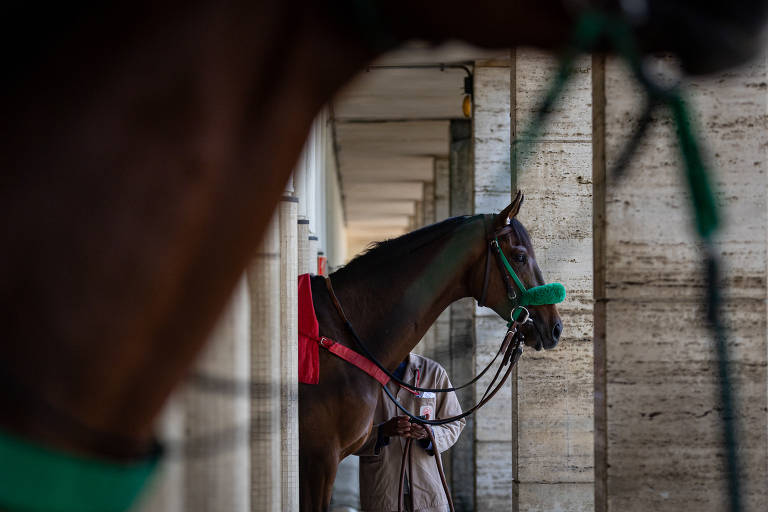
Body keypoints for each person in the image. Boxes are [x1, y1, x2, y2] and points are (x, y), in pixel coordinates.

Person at [356, 353, 465, 512]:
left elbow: (454, 423)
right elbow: (344, 438)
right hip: (382, 492)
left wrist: (429, 434)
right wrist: (381, 432)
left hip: (429, 490)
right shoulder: (360, 375)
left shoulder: (433, 372)